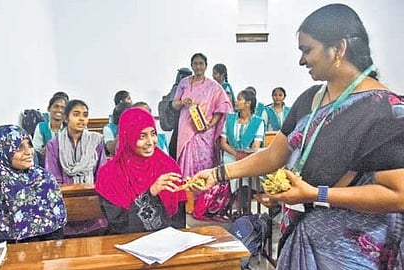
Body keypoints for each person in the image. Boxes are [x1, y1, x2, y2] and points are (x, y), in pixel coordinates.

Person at [191, 4, 404, 269]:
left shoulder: (387, 110)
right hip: (303, 242)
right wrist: (217, 174)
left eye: (307, 50)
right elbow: (273, 155)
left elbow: (397, 195)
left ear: (338, 49)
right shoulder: (310, 100)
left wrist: (316, 194)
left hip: (353, 255)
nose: (302, 60)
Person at [0, 125, 66, 246]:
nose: (29, 152)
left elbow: (55, 230)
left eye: (29, 145)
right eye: (19, 147)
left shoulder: (43, 179)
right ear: (1, 151)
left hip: (39, 254)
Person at [95, 108, 187, 234]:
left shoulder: (168, 166)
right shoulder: (110, 174)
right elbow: (118, 225)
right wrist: (150, 193)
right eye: (142, 136)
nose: (150, 142)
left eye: (153, 134)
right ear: (128, 136)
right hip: (124, 242)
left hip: (167, 241)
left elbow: (178, 219)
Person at [171, 52, 232, 220]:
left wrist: (210, 125)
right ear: (191, 66)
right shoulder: (184, 83)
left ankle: (204, 202)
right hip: (186, 128)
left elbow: (222, 107)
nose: (198, 66)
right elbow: (175, 104)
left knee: (205, 163)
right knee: (185, 162)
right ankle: (187, 201)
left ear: (205, 66)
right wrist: (182, 103)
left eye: (201, 64)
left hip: (205, 131)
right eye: (195, 63)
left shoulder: (213, 86)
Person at [45, 99, 108, 236]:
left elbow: (102, 175)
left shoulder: (96, 141)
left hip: (94, 207)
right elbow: (54, 179)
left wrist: (89, 199)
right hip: (65, 207)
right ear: (66, 118)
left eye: (85, 115)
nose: (81, 119)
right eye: (76, 114)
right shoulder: (54, 145)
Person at [221, 89, 264, 195]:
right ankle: (240, 203)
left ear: (248, 103)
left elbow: (256, 146)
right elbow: (223, 143)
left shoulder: (258, 122)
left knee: (247, 176)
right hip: (230, 156)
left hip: (248, 157)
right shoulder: (230, 119)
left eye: (239, 99)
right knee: (236, 175)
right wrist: (236, 154)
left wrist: (244, 158)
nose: (236, 102)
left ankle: (244, 204)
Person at [32, 92, 68, 166]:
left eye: (63, 108)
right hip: (45, 164)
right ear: (49, 108)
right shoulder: (41, 127)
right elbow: (36, 149)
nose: (60, 110)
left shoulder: (69, 129)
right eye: (56, 106)